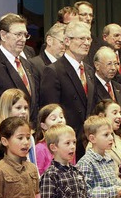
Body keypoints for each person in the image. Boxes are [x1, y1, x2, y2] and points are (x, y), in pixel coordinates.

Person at [0, 13, 39, 155]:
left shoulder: (27, 64)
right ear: (3, 35)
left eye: (25, 35)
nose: (22, 39)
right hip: (2, 148)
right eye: (18, 34)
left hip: (25, 143)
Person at [41, 21, 97, 160]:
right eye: (81, 38)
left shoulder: (89, 70)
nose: (86, 43)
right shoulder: (53, 71)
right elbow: (51, 112)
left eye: (88, 38)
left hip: (88, 143)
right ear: (67, 41)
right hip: (65, 145)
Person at [0, 117, 43, 198]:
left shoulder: (32, 168)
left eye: (28, 138)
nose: (26, 142)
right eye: (20, 138)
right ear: (5, 141)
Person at [78, 115, 121, 198]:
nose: (111, 138)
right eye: (106, 135)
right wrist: (113, 191)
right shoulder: (86, 162)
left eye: (111, 134)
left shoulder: (108, 158)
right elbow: (86, 193)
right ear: (92, 138)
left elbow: (112, 182)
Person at [39, 124, 90, 198]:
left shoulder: (77, 172)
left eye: (74, 142)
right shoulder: (50, 175)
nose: (73, 147)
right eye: (67, 143)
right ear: (54, 147)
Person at [0, 88, 36, 168]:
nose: (24, 112)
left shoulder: (29, 136)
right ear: (7, 110)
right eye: (18, 108)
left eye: (26, 108)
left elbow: (34, 164)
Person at [93, 47, 121, 115]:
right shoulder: (91, 86)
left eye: (116, 64)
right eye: (109, 64)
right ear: (97, 65)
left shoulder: (119, 87)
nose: (113, 68)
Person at [34, 104, 66, 174]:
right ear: (44, 125)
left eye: (61, 117)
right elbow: (38, 174)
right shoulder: (40, 148)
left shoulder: (68, 144)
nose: (60, 121)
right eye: (53, 119)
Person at [73, 1, 101, 67]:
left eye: (90, 15)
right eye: (84, 14)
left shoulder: (99, 44)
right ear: (75, 16)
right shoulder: (66, 40)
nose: (88, 18)